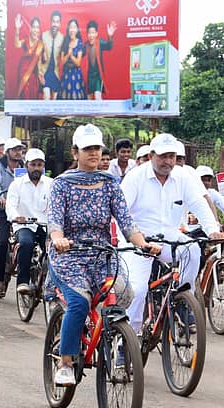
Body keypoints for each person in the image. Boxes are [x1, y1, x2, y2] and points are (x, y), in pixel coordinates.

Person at [48, 123, 158, 385]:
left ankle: (114, 342)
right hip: (69, 255)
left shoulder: (110, 183)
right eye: (88, 149)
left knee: (122, 293)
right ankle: (65, 362)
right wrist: (58, 239)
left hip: (101, 254)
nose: (94, 153)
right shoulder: (61, 184)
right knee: (79, 303)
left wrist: (142, 243)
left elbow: (126, 221)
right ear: (75, 152)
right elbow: (54, 221)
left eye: (97, 148)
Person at [120, 133, 224, 333]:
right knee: (139, 290)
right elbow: (121, 213)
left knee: (192, 250)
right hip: (137, 240)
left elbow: (198, 203)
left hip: (169, 236)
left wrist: (213, 230)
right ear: (151, 155)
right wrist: (137, 241)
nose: (168, 161)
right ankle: (129, 340)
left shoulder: (183, 176)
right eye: (163, 156)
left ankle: (182, 300)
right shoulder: (135, 177)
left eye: (172, 156)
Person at [5, 148, 52, 294]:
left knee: (53, 247)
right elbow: (10, 206)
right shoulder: (17, 184)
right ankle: (23, 281)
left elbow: (56, 206)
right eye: (33, 164)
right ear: (26, 165)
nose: (37, 168)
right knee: (26, 244)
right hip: (24, 226)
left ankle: (50, 283)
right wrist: (16, 216)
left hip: (44, 226)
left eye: (39, 164)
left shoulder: (51, 184)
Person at [0, 138, 25, 296]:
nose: (18, 152)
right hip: (2, 208)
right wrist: (1, 197)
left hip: (20, 209)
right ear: (8, 152)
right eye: (15, 149)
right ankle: (0, 279)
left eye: (20, 149)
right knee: (2, 242)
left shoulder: (24, 166)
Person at [14, 15, 46, 100]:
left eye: (37, 27)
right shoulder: (26, 40)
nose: (36, 30)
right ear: (30, 28)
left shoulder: (40, 44)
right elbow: (17, 45)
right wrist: (17, 29)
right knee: (24, 94)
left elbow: (38, 60)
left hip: (34, 74)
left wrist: (40, 73)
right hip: (23, 72)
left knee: (33, 94)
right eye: (34, 27)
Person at [85, 20, 115, 100]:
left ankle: (101, 112)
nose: (91, 35)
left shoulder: (100, 43)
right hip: (89, 76)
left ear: (96, 34)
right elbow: (80, 55)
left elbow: (109, 46)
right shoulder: (86, 45)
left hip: (98, 75)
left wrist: (110, 36)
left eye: (93, 33)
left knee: (98, 95)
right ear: (87, 34)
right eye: (89, 33)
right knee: (89, 98)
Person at [58, 18, 87, 100]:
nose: (72, 30)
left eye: (74, 27)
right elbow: (62, 62)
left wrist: (71, 56)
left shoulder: (79, 43)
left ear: (77, 30)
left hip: (76, 76)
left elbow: (78, 63)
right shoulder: (65, 42)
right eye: (70, 27)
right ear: (68, 30)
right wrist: (68, 54)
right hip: (66, 75)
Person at [39, 10, 64, 100]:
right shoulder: (43, 35)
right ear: (50, 22)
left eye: (57, 22)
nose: (55, 24)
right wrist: (39, 73)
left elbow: (63, 57)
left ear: (60, 24)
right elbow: (37, 56)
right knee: (46, 97)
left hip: (56, 73)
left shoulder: (62, 38)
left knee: (54, 101)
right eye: (53, 21)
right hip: (45, 72)